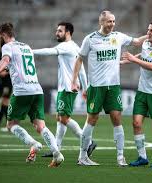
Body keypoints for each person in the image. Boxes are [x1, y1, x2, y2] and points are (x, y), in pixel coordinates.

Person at [71, 10, 149, 166]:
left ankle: (120, 157)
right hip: (96, 87)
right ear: (101, 22)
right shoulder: (90, 39)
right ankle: (82, 157)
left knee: (117, 118)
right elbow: (79, 59)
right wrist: (74, 81)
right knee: (91, 119)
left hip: (113, 86)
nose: (112, 24)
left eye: (113, 21)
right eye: (109, 21)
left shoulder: (118, 37)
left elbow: (137, 42)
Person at [0, 23, 64, 167]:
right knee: (40, 125)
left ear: (4, 35)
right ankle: (57, 153)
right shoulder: (26, 46)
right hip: (36, 89)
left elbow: (5, 60)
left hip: (22, 91)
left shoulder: (7, 47)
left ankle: (33, 144)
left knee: (11, 125)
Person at [33, 22, 96, 158]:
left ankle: (88, 142)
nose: (57, 33)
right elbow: (82, 70)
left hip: (67, 88)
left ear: (68, 32)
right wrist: (85, 88)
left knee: (64, 118)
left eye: (60, 31)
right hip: (67, 87)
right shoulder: (75, 47)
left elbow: (49, 51)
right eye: (57, 30)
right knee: (59, 117)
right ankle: (57, 147)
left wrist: (29, 51)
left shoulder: (66, 46)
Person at [121, 22, 152, 168]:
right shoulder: (146, 43)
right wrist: (127, 60)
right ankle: (142, 157)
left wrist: (133, 59)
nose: (148, 32)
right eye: (148, 29)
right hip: (142, 90)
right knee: (136, 123)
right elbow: (144, 54)